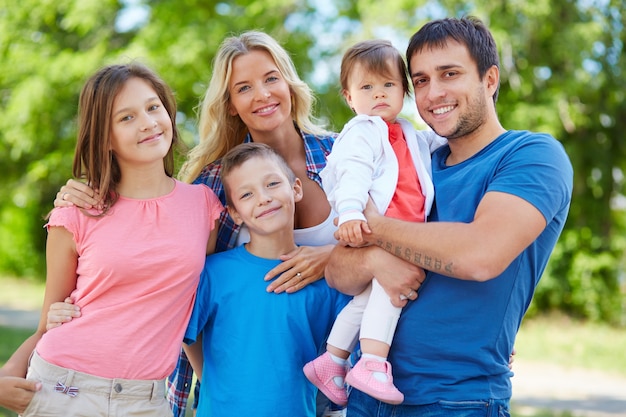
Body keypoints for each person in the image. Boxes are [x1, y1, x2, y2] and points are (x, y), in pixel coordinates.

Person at [49, 31, 344, 417]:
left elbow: (392, 240)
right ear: (232, 104)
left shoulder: (344, 156)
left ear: (289, 82)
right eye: (243, 87)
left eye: (271, 78)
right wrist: (83, 195)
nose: (262, 94)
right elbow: (180, 274)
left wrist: (330, 258)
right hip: (243, 386)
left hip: (338, 368)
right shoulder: (213, 186)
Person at [324, 16, 573, 417]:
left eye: (450, 74)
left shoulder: (531, 156)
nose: (433, 92)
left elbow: (479, 256)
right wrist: (371, 257)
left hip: (457, 400)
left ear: (490, 80)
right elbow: (338, 270)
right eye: (420, 80)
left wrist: (375, 227)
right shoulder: (412, 161)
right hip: (367, 393)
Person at [0, 63, 223, 416]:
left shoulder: (205, 206)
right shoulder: (75, 213)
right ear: (105, 137)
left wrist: (217, 387)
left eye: (153, 107)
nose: (148, 123)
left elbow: (194, 308)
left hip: (147, 400)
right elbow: (48, 323)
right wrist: (5, 378)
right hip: (64, 389)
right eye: (126, 117)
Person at [303, 40, 445, 406]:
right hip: (378, 228)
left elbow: (434, 143)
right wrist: (350, 212)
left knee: (366, 301)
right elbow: (352, 172)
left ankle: (332, 360)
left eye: (389, 85)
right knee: (391, 293)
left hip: (400, 228)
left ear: (403, 91)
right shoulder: (362, 130)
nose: (379, 95)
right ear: (349, 96)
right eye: (367, 87)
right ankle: (372, 362)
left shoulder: (407, 132)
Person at [180, 142, 349, 416]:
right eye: (247, 194)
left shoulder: (325, 279)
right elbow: (189, 338)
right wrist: (212, 383)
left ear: (295, 189)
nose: (263, 198)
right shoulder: (213, 273)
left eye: (272, 184)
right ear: (234, 213)